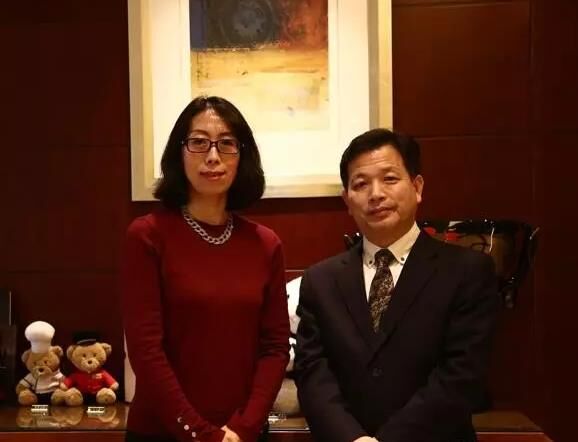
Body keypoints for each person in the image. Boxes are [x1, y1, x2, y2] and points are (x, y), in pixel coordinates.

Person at [294, 128, 500, 442]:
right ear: (347, 200)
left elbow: (462, 376)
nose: (376, 194)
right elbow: (313, 374)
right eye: (361, 184)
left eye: (389, 179)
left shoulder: (467, 271)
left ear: (417, 187)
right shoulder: (320, 281)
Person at [121, 96, 290, 442]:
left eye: (226, 143)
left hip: (241, 435)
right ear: (179, 152)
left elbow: (275, 348)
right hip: (163, 433)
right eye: (199, 142)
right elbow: (146, 350)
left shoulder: (265, 244)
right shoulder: (147, 235)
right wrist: (201, 434)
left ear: (242, 156)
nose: (213, 156)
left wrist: (244, 427)